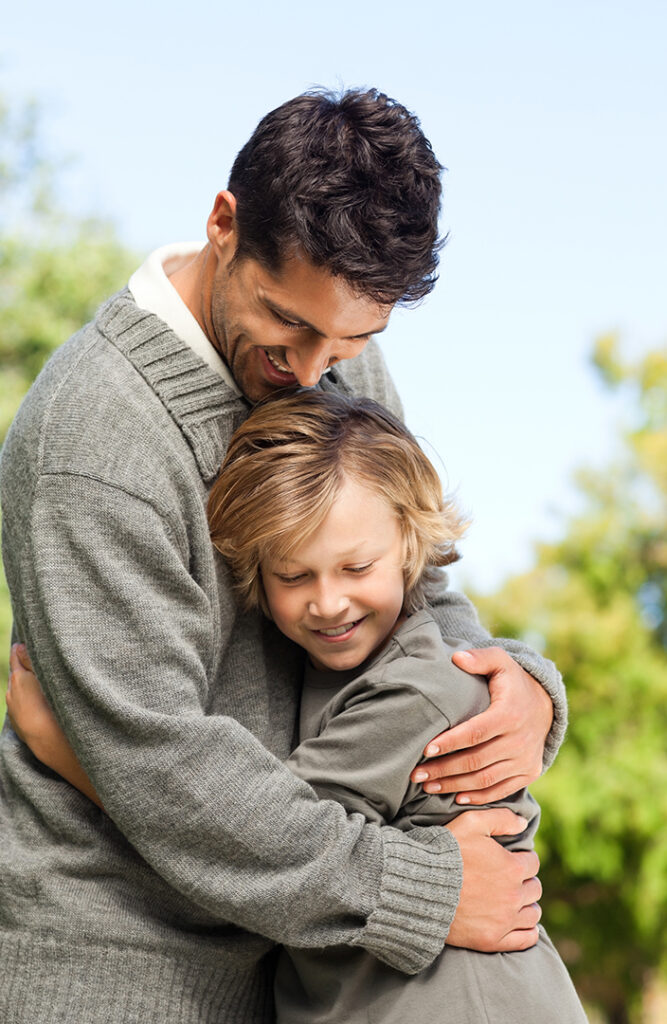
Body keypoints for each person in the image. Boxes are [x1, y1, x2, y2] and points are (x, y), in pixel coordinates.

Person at [0, 88, 565, 1023]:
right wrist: (417, 890)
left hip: (295, 959)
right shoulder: (95, 435)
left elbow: (414, 579)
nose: (314, 371)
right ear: (224, 224)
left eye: (354, 336)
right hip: (121, 966)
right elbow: (161, 766)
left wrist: (514, 682)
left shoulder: (340, 359)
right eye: (290, 323)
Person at [7, 390, 587, 1023]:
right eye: (293, 576)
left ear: (412, 547)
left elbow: (241, 843)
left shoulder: (415, 694)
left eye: (356, 566)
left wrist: (83, 757)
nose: (329, 602)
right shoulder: (343, 679)